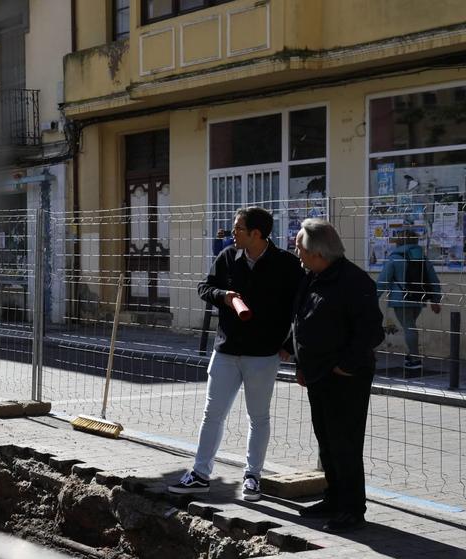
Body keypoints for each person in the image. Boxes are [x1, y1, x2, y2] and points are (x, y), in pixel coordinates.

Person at [169, 207, 304, 501]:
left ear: (257, 233)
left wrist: (290, 345)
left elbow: (303, 308)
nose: (232, 233)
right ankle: (200, 474)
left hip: (263, 355)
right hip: (226, 351)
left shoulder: (287, 265)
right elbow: (205, 287)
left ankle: (252, 477)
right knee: (212, 414)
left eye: (238, 229)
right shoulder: (228, 257)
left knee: (258, 417)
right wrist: (224, 297)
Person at [287, 218, 384, 533]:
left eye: (300, 247)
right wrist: (301, 363)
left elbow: (371, 331)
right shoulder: (311, 277)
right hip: (318, 373)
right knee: (326, 440)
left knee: (345, 443)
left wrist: (347, 365)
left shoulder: (355, 282)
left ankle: (352, 509)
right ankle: (334, 497)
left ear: (317, 252)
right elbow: (301, 319)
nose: (296, 252)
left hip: (345, 377)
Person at [377, 229, 442, 371]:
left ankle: (415, 359)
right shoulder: (423, 258)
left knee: (409, 327)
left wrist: (373, 297)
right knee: (411, 325)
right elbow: (433, 280)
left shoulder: (395, 258)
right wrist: (436, 300)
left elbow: (383, 281)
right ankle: (410, 356)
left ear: (399, 242)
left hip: (400, 299)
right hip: (418, 298)